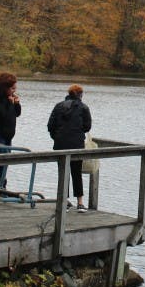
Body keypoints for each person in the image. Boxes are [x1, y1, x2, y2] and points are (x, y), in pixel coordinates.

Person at [46, 83, 92, 212]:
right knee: (76, 172)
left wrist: (56, 137)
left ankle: (64, 202)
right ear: (80, 95)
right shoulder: (84, 108)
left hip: (60, 145)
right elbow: (87, 127)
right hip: (77, 144)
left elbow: (50, 126)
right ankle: (80, 203)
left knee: (63, 173)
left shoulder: (58, 106)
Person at [0, 72, 21, 193]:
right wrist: (11, 104)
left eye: (15, 88)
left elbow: (17, 113)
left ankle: (1, 187)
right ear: (5, 88)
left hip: (7, 136)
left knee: (5, 162)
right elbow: (5, 115)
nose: (14, 91)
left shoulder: (9, 100)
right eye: (12, 88)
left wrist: (16, 103)